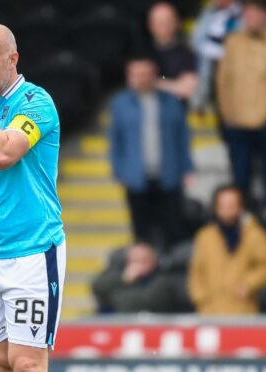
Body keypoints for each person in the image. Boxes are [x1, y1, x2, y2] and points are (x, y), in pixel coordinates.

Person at [0, 24, 66, 372]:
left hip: (31, 252)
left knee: (26, 363)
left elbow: (4, 155)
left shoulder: (36, 103)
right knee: (0, 362)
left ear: (13, 58)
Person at [109, 54, 194, 251]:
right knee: (142, 231)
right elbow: (116, 140)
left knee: (173, 227)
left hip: (168, 175)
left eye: (146, 74)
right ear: (129, 76)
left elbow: (182, 136)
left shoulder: (171, 102)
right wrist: (120, 170)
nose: (142, 78)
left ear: (155, 75)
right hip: (137, 178)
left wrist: (187, 167)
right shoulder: (121, 104)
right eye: (137, 74)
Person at [216, 0, 266, 206]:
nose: (249, 18)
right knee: (240, 179)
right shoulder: (233, 41)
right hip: (238, 123)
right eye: (247, 14)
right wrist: (228, 114)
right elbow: (224, 81)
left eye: (254, 13)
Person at [188, 185, 266, 314]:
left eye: (231, 205)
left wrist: (249, 284)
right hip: (210, 310)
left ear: (240, 207)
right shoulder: (205, 236)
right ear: (216, 208)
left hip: (242, 309)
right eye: (222, 206)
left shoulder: (253, 234)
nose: (227, 210)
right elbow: (196, 272)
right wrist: (200, 297)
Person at [92, 242, 179, 313]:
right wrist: (123, 279)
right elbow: (98, 287)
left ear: (154, 261)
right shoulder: (118, 273)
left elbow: (146, 302)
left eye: (144, 260)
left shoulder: (162, 279)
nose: (139, 265)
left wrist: (117, 294)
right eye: (134, 261)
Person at [148, 2, 198, 102]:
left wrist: (153, 82)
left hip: (176, 112)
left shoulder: (187, 54)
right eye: (158, 21)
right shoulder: (142, 52)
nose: (163, 25)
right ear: (150, 25)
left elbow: (187, 90)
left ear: (177, 23)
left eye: (167, 20)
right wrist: (173, 85)